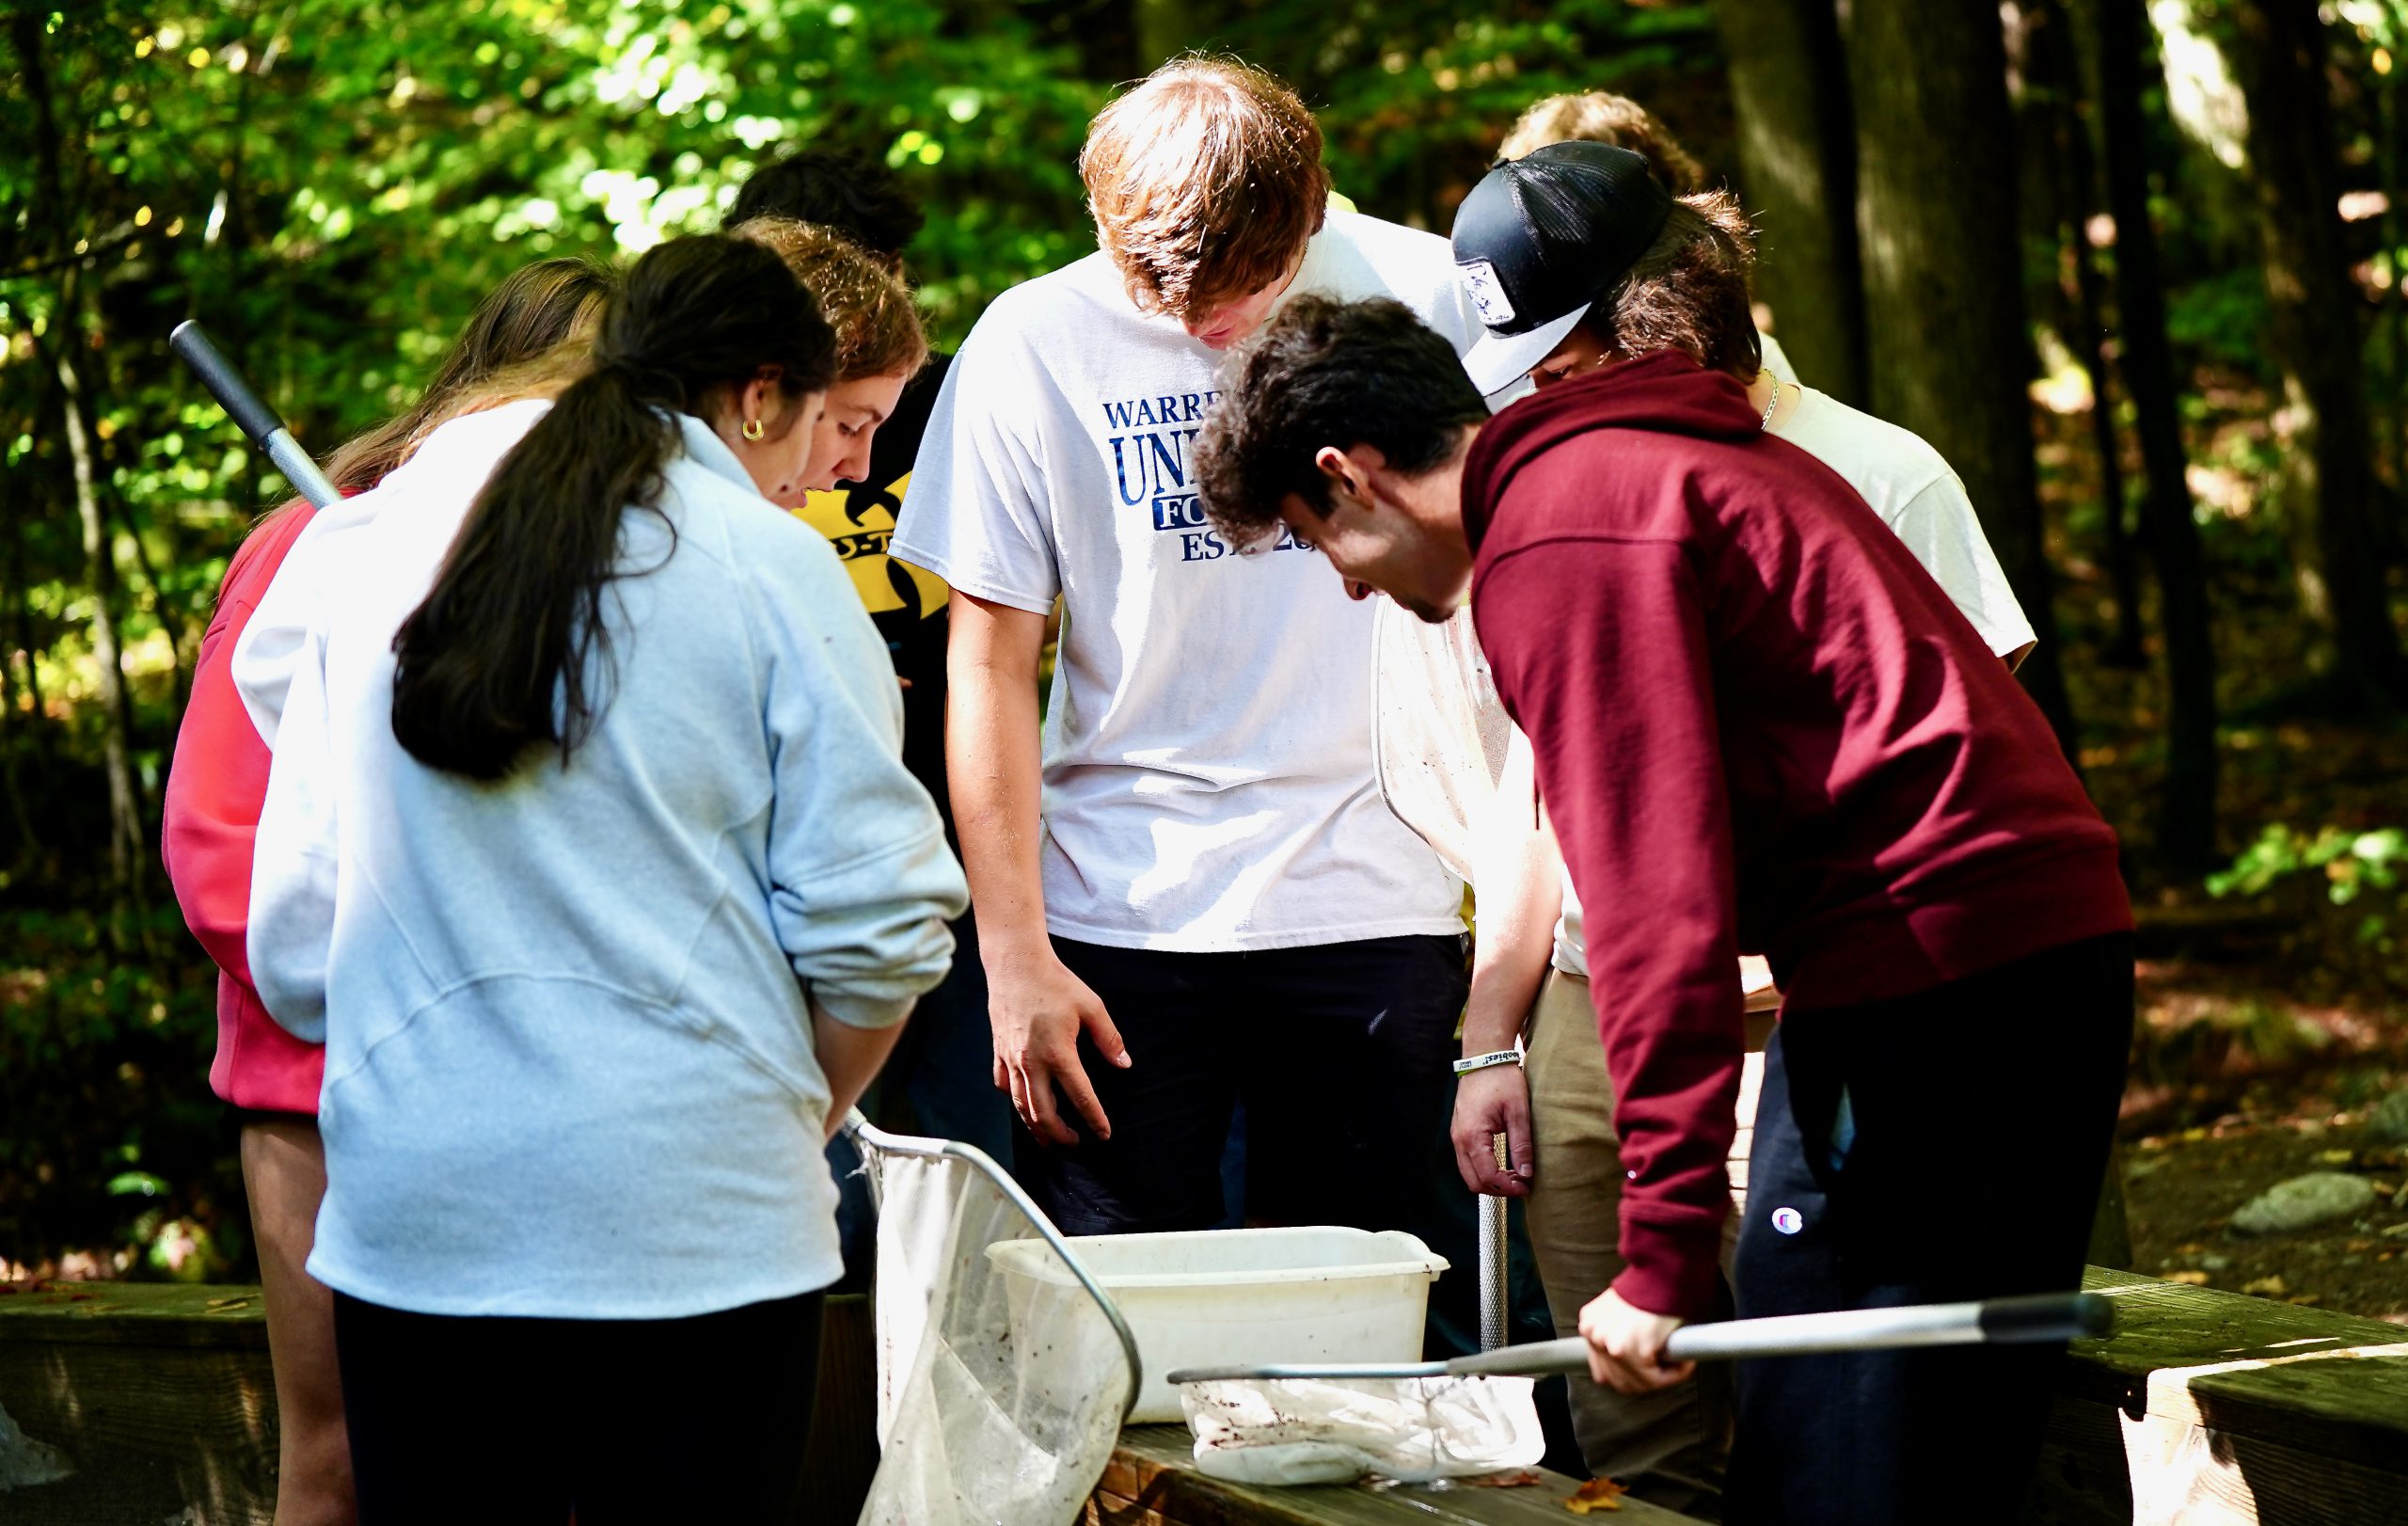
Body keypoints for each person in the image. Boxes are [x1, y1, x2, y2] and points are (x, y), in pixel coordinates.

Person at [1192, 294, 2133, 1526]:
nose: (1353, 590)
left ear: (1351, 474)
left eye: (1322, 546)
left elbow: (1656, 914)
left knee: (1830, 1451)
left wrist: (1662, 1252)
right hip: (2021, 946)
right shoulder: (1627, 469)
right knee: (1935, 1449)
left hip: (1931, 967)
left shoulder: (1557, 548)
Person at [241, 233, 967, 1521]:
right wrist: (783, 1101)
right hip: (703, 1226)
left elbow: (295, 944)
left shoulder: (362, 544)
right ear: (757, 396)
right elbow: (884, 919)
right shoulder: (770, 568)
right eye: (823, 429)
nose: (826, 472)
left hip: (424, 1218)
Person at [1403, 143, 2043, 1510]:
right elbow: (1549, 790)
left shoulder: (1867, 468)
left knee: (1836, 1415)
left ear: (1656, 304)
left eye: (1556, 353)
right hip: (1597, 999)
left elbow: (1970, 752)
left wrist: (1675, 1221)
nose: (1532, 389)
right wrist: (1490, 1035)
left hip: (1805, 1004)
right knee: (1634, 1449)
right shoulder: (1553, 484)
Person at [889, 56, 1486, 1240]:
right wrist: (1012, 952)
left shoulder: (1434, 294)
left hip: (1378, 891)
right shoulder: (1032, 340)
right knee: (1125, 1324)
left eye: (1243, 290)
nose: (1200, 326)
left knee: (1350, 1325)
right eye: (1159, 296)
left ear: (1311, 208)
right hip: (1119, 918)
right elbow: (991, 660)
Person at [161, 254, 615, 1526]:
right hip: (316, 1080)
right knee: (341, 1462)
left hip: (516, 1084)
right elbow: (217, 837)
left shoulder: (591, 561)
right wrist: (364, 981)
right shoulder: (314, 549)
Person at [724, 153, 1011, 1165]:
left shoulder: (946, 407)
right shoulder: (714, 470)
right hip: (784, 846)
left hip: (954, 823)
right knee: (811, 1148)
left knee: (960, 1134)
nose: (847, 457)